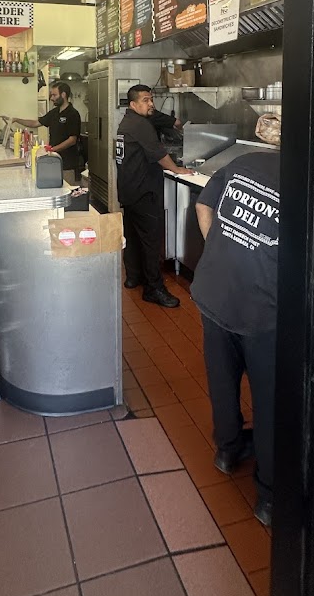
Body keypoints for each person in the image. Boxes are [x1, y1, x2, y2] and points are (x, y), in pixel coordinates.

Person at [191, 113, 281, 527]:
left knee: (223, 379)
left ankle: (227, 451)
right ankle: (269, 496)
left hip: (215, 290)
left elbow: (203, 203)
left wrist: (220, 252)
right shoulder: (309, 182)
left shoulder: (243, 162)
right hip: (260, 307)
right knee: (270, 400)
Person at [115, 84, 194, 307]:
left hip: (129, 190)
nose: (151, 104)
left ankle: (134, 277)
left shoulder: (127, 122)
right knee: (150, 241)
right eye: (146, 100)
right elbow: (159, 154)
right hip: (143, 191)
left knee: (133, 236)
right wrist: (177, 169)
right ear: (133, 104)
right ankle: (153, 289)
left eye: (151, 99)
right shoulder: (141, 125)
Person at [7, 81, 82, 184]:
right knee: (53, 188)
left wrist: (52, 149)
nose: (52, 98)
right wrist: (16, 120)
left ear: (63, 95)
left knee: (67, 190)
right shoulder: (54, 113)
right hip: (53, 160)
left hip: (68, 164)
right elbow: (35, 123)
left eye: (54, 95)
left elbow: (72, 140)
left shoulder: (73, 114)